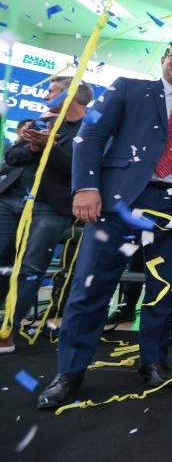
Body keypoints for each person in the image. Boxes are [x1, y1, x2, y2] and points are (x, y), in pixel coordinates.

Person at [36, 40, 172, 409]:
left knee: (163, 290)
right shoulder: (128, 88)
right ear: (164, 61)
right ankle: (69, 372)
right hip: (120, 200)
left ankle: (153, 363)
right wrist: (86, 187)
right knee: (91, 287)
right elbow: (92, 135)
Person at [0, 77, 92, 353]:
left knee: (30, 268)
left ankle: (7, 330)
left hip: (50, 208)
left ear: (71, 94)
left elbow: (79, 168)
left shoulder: (93, 128)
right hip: (10, 198)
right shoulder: (43, 120)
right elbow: (12, 156)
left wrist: (49, 146)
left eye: (51, 91)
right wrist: (31, 147)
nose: (44, 97)